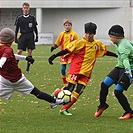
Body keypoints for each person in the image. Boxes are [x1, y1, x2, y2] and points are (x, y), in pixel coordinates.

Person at [48, 22, 118, 116]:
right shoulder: (79, 43)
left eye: (91, 34)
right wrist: (55, 55)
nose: (88, 35)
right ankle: (56, 93)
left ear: (94, 34)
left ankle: (64, 109)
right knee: (69, 88)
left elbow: (105, 52)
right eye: (87, 33)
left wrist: (116, 55)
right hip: (76, 70)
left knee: (79, 91)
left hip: (87, 72)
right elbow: (66, 50)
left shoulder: (97, 44)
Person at [0, 27, 63, 107]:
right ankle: (54, 101)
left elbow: (10, 56)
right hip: (17, 79)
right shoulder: (8, 50)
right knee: (36, 92)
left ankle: (54, 102)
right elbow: (3, 60)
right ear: (12, 41)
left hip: (4, 80)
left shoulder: (4, 50)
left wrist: (25, 58)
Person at [94, 25, 133, 120]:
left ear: (116, 36)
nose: (110, 39)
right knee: (104, 84)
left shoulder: (123, 47)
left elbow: (125, 60)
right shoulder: (122, 43)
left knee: (118, 91)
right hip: (119, 68)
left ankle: (129, 112)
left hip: (128, 69)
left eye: (110, 37)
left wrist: (128, 71)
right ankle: (102, 105)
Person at [50, 19, 79, 86]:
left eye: (69, 25)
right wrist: (54, 47)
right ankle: (65, 83)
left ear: (71, 26)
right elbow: (58, 42)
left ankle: (70, 82)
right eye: (66, 25)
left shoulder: (74, 34)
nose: (67, 26)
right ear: (64, 26)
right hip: (63, 54)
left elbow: (78, 43)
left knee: (70, 69)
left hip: (71, 54)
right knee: (62, 69)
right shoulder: (61, 34)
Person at [14, 2, 38, 73]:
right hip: (23, 35)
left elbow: (35, 28)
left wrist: (37, 36)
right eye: (24, 8)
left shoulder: (32, 18)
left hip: (30, 35)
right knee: (19, 51)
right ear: (22, 8)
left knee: (30, 52)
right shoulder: (19, 18)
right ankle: (15, 68)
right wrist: (15, 37)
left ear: (29, 8)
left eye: (27, 8)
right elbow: (17, 28)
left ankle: (27, 69)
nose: (26, 9)